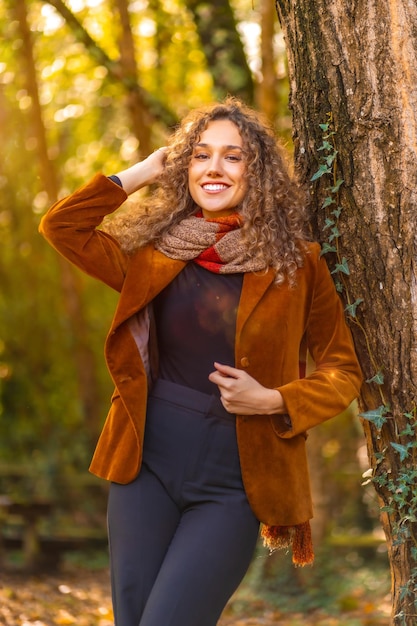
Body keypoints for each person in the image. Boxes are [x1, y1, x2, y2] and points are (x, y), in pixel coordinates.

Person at [39, 97, 362, 626]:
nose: (214, 168)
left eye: (233, 157)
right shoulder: (154, 253)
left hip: (235, 481)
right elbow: (63, 227)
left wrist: (275, 399)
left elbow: (342, 370)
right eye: (201, 155)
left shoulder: (300, 264)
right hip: (144, 469)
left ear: (257, 173)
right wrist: (141, 171)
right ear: (183, 167)